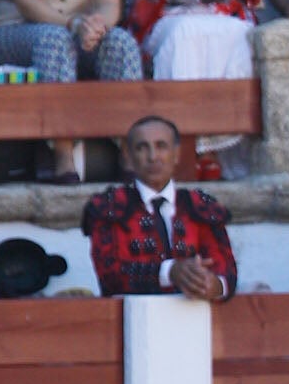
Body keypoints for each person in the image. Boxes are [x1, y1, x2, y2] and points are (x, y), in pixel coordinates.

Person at [79, 113, 235, 301]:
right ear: (128, 155)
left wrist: (213, 285)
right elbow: (110, 276)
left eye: (161, 146)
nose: (153, 157)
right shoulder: (108, 207)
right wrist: (169, 272)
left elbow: (226, 273)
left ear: (177, 154)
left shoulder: (200, 206)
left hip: (195, 321)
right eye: (142, 148)